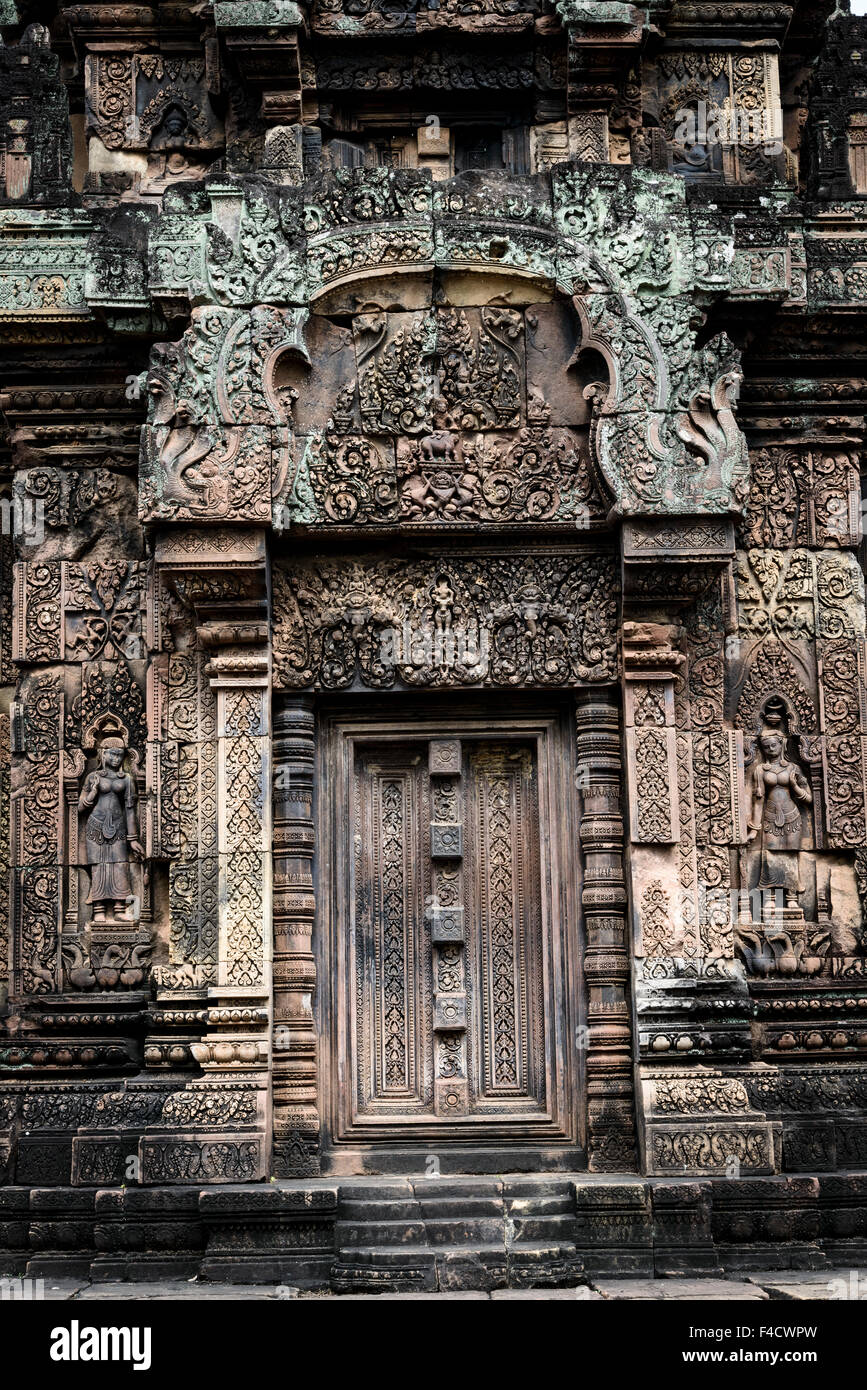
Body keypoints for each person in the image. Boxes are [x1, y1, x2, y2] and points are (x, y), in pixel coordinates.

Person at [78, 738, 143, 923]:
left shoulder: (127, 779)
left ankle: (119, 908)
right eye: (113, 754)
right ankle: (98, 910)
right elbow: (80, 809)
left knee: (120, 865)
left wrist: (133, 839)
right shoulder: (93, 777)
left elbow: (130, 809)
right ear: (103, 753)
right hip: (95, 826)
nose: (116, 759)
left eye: (120, 755)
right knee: (99, 865)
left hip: (119, 827)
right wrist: (93, 792)